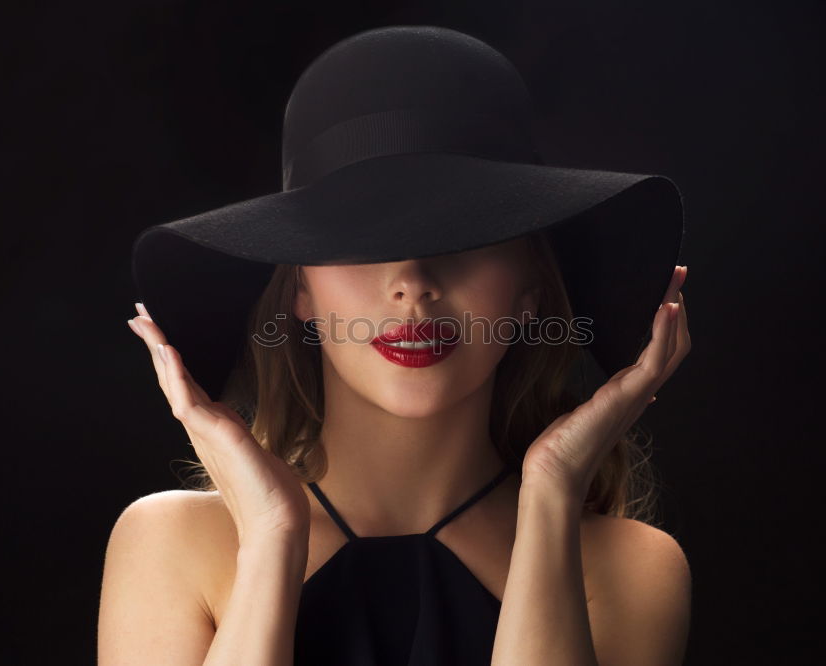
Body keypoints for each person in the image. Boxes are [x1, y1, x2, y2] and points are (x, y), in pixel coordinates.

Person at [98, 26, 692, 665]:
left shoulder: (631, 567)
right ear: (300, 288)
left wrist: (551, 493)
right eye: (361, 240)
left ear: (532, 290)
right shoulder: (172, 543)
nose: (412, 283)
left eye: (463, 235)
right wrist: (272, 537)